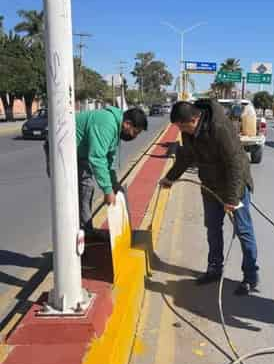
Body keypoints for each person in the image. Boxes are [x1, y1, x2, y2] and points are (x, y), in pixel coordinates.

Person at [160, 99, 259, 295]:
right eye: (179, 127)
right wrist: (170, 178)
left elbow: (235, 164)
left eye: (183, 126)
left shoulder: (219, 128)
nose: (182, 130)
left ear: (195, 119)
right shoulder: (188, 131)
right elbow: (186, 156)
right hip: (210, 185)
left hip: (234, 185)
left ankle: (250, 276)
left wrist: (232, 198)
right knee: (212, 228)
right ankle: (214, 268)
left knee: (243, 231)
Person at [45, 106, 147, 237]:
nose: (134, 136)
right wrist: (107, 190)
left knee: (85, 189)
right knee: (66, 192)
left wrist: (114, 184)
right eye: (135, 132)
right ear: (127, 124)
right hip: (59, 147)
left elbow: (108, 160)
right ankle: (69, 237)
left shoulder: (115, 128)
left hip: (78, 153)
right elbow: (97, 158)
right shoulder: (107, 123)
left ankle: (85, 231)